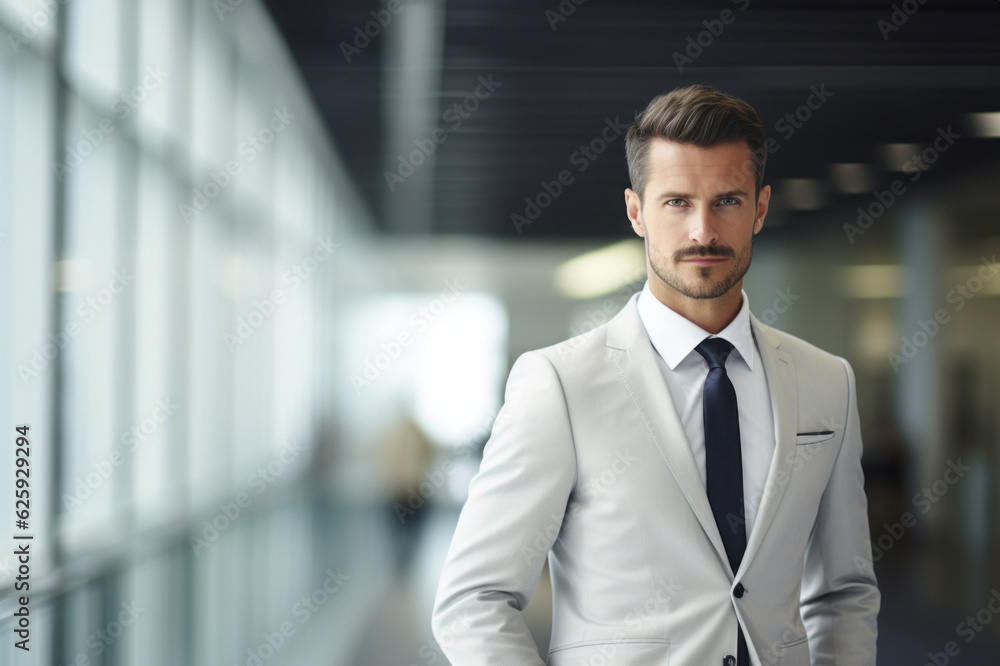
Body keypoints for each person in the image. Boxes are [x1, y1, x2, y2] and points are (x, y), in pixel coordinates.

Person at [431, 84, 880, 665]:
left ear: (761, 208)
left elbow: (844, 591)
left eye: (727, 201)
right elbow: (473, 600)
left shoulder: (827, 381)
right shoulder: (559, 385)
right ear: (636, 211)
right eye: (676, 203)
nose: (703, 231)